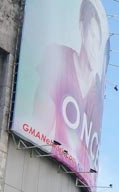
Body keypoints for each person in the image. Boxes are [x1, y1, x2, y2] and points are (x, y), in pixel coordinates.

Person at [31, 0, 108, 174]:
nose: (94, 47)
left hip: (75, 175)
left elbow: (90, 159)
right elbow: (39, 124)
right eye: (92, 36)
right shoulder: (59, 58)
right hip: (49, 164)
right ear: (82, 30)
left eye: (99, 41)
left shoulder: (96, 97)